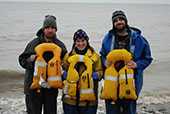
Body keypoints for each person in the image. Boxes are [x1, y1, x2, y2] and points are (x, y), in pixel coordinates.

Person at [100, 10, 153, 114]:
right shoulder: (108, 38)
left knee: (129, 110)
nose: (119, 22)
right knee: (111, 110)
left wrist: (137, 64)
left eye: (121, 19)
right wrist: (105, 62)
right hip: (112, 82)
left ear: (126, 21)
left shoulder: (139, 39)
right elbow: (102, 54)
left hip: (130, 81)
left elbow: (147, 58)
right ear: (113, 23)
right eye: (116, 20)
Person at [18, 15, 67, 114]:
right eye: (47, 28)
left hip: (51, 88)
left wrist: (64, 66)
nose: (50, 30)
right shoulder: (34, 43)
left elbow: (66, 64)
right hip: (33, 87)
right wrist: (30, 60)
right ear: (43, 29)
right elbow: (22, 60)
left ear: (56, 30)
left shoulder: (60, 46)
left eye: (52, 28)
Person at [62, 29, 103, 114]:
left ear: (87, 41)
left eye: (83, 41)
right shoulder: (68, 56)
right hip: (70, 100)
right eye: (78, 41)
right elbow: (61, 70)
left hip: (89, 102)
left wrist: (97, 75)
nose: (80, 43)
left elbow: (101, 72)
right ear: (74, 42)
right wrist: (63, 74)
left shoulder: (95, 57)